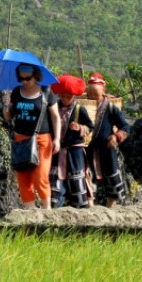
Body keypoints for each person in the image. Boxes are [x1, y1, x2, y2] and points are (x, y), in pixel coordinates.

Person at [2, 63, 61, 210]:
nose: (24, 82)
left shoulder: (46, 92)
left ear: (36, 76)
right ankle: (30, 212)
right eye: (21, 79)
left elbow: (55, 117)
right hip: (20, 140)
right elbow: (8, 118)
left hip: (41, 139)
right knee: (23, 179)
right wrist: (5, 104)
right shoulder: (16, 92)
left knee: (40, 176)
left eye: (28, 78)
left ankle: (47, 211)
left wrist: (57, 138)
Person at [85, 73, 131, 208]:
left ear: (103, 92)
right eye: (90, 94)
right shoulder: (84, 106)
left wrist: (116, 136)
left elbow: (125, 126)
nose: (93, 98)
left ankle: (111, 205)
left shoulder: (110, 108)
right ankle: (90, 206)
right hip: (89, 149)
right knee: (88, 177)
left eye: (96, 94)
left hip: (107, 149)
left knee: (111, 176)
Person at [51, 74, 94, 208]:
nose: (65, 99)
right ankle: (56, 205)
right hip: (58, 150)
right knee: (56, 178)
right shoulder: (53, 108)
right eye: (62, 96)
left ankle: (81, 207)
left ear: (74, 96)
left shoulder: (80, 110)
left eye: (68, 96)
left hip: (75, 151)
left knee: (77, 178)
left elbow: (90, 126)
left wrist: (80, 127)